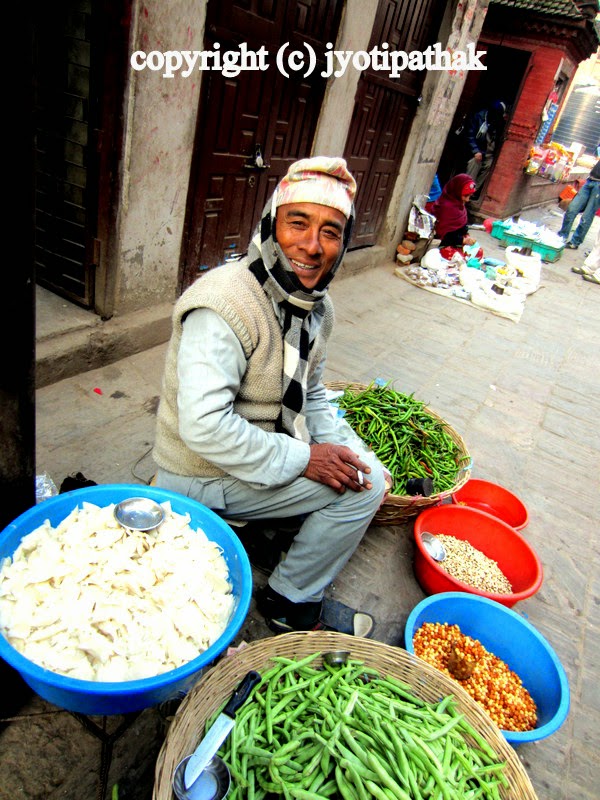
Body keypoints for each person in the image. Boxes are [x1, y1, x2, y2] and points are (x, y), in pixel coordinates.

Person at [153, 157, 388, 634]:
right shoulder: (225, 303)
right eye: (297, 223)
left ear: (343, 243)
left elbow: (313, 393)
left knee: (365, 471)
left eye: (330, 232)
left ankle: (265, 532)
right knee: (364, 493)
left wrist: (353, 451)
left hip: (249, 458)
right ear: (270, 227)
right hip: (198, 472)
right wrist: (305, 459)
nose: (312, 246)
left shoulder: (317, 308)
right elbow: (205, 427)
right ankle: (289, 600)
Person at [464, 100, 508, 198]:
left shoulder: (499, 123)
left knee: (490, 165)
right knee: (474, 163)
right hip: (479, 151)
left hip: (489, 154)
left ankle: (473, 191)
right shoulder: (479, 117)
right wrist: (476, 151)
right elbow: (470, 135)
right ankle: (466, 190)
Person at [558, 157, 600, 250]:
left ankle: (575, 242)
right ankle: (562, 236)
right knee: (571, 209)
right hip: (590, 180)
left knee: (587, 216)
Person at [430, 174, 478, 249]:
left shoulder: (459, 205)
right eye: (465, 196)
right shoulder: (447, 208)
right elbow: (443, 236)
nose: (467, 200)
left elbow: (462, 228)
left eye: (470, 196)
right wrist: (463, 240)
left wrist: (466, 236)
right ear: (457, 192)